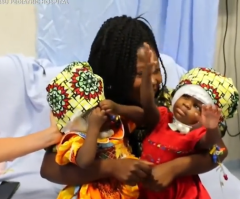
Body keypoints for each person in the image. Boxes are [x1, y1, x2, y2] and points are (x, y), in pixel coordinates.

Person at [40, 15, 228, 191]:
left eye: (155, 69)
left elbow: (219, 152)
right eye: (141, 73)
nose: (154, 80)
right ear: (115, 72)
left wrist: (175, 168)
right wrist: (110, 168)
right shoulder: (88, 108)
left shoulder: (170, 104)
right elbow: (48, 169)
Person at [131, 45, 239, 198]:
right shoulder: (162, 118)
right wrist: (147, 74)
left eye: (197, 106)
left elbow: (218, 150)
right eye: (185, 96)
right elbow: (147, 102)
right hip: (149, 188)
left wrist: (211, 127)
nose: (187, 104)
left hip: (180, 193)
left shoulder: (195, 134)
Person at [46, 61, 141, 199]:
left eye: (100, 107)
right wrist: (93, 129)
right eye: (89, 114)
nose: (101, 114)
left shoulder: (114, 126)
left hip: (120, 191)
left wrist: (118, 108)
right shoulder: (77, 138)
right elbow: (84, 162)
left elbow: (141, 116)